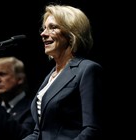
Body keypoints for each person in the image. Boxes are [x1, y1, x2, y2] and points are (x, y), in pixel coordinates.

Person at [23, 4, 103, 140]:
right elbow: (39, 132)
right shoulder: (51, 75)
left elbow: (92, 129)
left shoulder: (87, 70)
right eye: (44, 29)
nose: (43, 34)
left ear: (72, 33)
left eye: (53, 27)